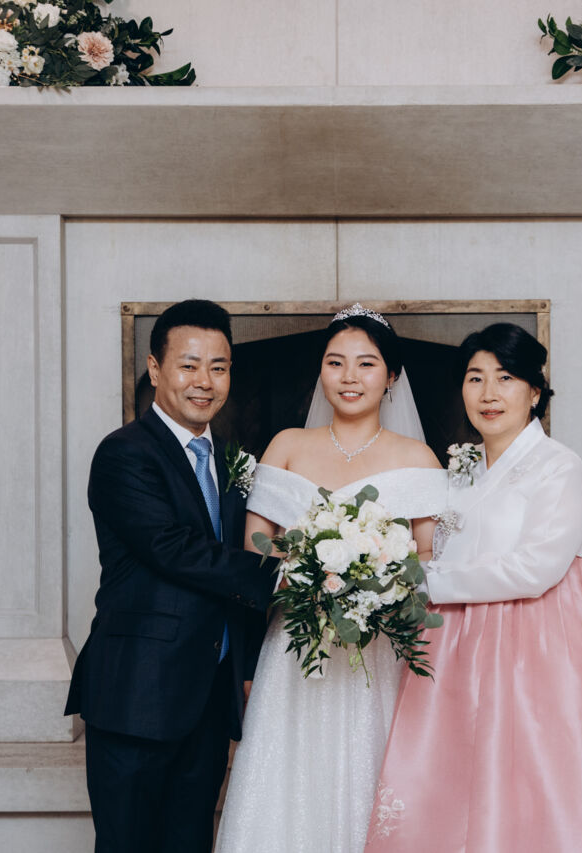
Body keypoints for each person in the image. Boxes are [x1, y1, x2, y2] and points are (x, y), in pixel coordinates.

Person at [364, 323, 582, 853]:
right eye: (475, 378)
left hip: (537, 646)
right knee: (452, 784)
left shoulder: (558, 466)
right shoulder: (462, 470)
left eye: (505, 377)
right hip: (457, 646)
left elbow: (535, 569)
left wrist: (426, 581)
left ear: (534, 391)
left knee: (536, 783)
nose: (488, 393)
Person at [214, 304, 448, 853]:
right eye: (335, 362)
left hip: (380, 653)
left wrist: (378, 583)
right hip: (295, 649)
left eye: (366, 364)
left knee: (373, 780)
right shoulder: (287, 446)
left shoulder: (418, 458)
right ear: (320, 370)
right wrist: (309, 577)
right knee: (291, 789)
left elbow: (430, 555)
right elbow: (256, 548)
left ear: (392, 377)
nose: (349, 377)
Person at [64, 299, 275, 853]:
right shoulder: (124, 453)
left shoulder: (230, 458)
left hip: (207, 697)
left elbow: (236, 559)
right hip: (137, 694)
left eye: (219, 367)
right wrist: (284, 575)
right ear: (156, 369)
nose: (205, 381)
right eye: (189, 365)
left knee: (191, 842)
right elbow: (174, 549)